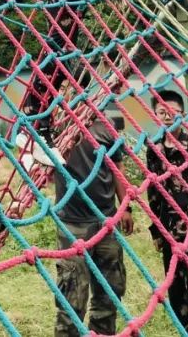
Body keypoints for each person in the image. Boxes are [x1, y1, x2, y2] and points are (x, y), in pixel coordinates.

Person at [52, 113, 132, 336]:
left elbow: (118, 169)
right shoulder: (58, 128)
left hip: (106, 221)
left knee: (110, 292)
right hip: (73, 224)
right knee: (72, 298)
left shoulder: (106, 127)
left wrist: (125, 207)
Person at [146, 91, 188, 335]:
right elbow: (153, 193)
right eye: (162, 112)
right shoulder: (153, 148)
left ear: (183, 114)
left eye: (173, 112)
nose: (167, 117)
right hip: (168, 232)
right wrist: (156, 231)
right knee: (176, 294)